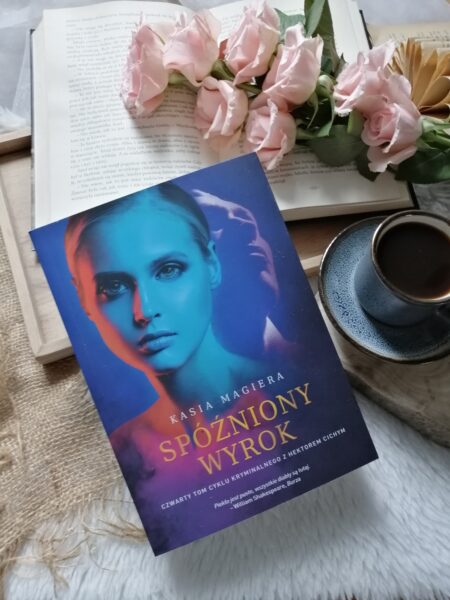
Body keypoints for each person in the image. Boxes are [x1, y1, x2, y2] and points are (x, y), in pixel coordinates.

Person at [65, 182, 270, 434]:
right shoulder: (126, 446)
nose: (145, 311)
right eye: (114, 286)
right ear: (83, 298)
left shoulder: (294, 378)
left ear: (212, 266)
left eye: (169, 270)